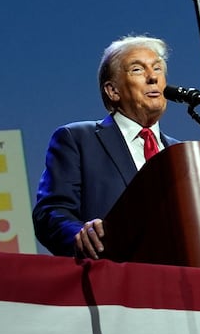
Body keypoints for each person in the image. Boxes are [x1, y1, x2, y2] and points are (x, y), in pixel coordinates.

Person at [32, 34, 179, 258]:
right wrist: (81, 235)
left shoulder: (180, 154)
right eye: (137, 70)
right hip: (113, 276)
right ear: (113, 91)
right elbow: (51, 212)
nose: (153, 78)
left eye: (157, 68)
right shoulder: (77, 139)